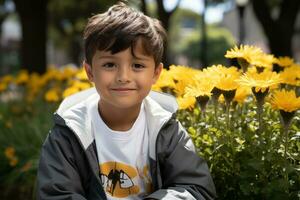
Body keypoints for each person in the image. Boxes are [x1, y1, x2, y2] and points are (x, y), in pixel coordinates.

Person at [37, 2, 216, 200]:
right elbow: (55, 195)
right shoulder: (68, 134)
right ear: (89, 72)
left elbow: (195, 188)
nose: (123, 76)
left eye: (137, 65)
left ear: (156, 73)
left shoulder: (166, 129)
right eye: (109, 64)